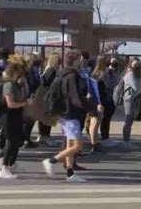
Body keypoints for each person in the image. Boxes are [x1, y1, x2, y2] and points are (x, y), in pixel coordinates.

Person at [42, 50, 99, 182]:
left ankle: (70, 173)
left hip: (64, 113)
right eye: (79, 59)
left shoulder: (63, 73)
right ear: (75, 61)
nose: (82, 61)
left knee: (69, 144)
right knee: (77, 146)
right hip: (71, 113)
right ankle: (51, 161)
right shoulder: (72, 76)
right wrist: (91, 105)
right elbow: (75, 98)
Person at [0, 55, 32, 179]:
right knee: (11, 140)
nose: (21, 75)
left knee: (17, 140)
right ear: (15, 72)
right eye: (20, 72)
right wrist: (26, 103)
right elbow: (10, 104)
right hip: (8, 115)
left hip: (16, 115)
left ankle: (8, 163)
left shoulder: (16, 84)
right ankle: (2, 166)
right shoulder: (8, 85)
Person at [36, 53, 61, 147]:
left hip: (46, 97)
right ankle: (45, 136)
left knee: (44, 117)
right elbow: (45, 84)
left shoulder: (50, 70)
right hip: (47, 97)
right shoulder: (51, 71)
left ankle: (43, 135)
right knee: (47, 117)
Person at [89, 54, 110, 153]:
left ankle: (94, 142)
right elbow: (109, 85)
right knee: (96, 123)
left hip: (94, 100)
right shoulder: (104, 73)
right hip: (100, 101)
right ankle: (94, 144)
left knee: (93, 123)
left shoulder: (94, 73)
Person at [21, 53, 42, 149]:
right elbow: (31, 83)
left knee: (30, 120)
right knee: (27, 120)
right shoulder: (26, 71)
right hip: (27, 97)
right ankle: (25, 139)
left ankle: (26, 139)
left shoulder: (32, 70)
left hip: (32, 96)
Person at [100, 57, 120, 146]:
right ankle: (104, 137)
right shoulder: (106, 73)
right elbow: (109, 85)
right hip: (106, 98)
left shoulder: (115, 73)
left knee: (108, 119)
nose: (114, 66)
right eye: (112, 64)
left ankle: (106, 136)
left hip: (112, 99)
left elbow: (118, 83)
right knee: (105, 119)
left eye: (115, 64)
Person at [122, 58, 141, 148]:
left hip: (134, 99)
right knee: (128, 118)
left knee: (130, 119)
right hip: (129, 99)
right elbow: (136, 87)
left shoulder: (137, 74)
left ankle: (127, 139)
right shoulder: (130, 74)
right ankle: (126, 140)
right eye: (135, 64)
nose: (136, 66)